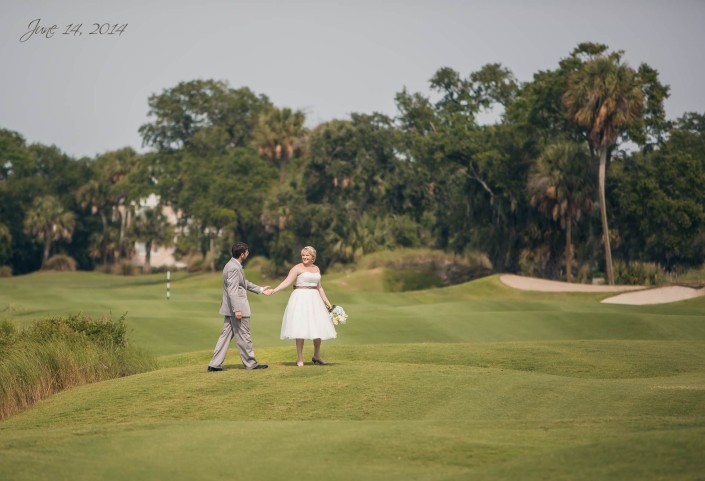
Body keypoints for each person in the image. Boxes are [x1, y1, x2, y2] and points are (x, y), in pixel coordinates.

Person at [207, 242, 272, 371]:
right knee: (244, 336)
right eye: (247, 252)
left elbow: (243, 283)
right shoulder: (233, 267)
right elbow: (232, 290)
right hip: (237, 309)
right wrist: (237, 309)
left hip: (231, 309)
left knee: (225, 336)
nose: (248, 254)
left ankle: (214, 364)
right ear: (242, 254)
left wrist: (260, 289)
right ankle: (251, 364)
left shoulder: (232, 265)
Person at [271, 246, 336, 366]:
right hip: (300, 298)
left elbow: (319, 287)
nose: (304, 257)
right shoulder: (297, 268)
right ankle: (299, 358)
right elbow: (287, 281)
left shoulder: (316, 268)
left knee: (318, 327)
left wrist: (328, 303)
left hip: (314, 299)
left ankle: (316, 355)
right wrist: (275, 290)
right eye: (303, 255)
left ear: (313, 257)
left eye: (307, 255)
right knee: (300, 327)